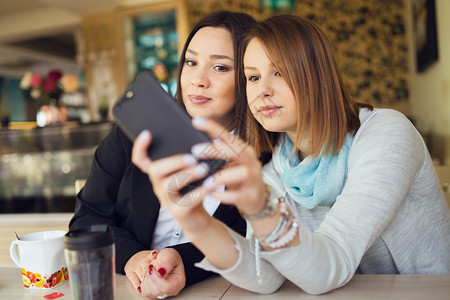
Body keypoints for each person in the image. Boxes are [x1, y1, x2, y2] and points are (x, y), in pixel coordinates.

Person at [131, 14, 450, 296]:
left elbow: (333, 261)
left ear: (317, 74)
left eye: (279, 72)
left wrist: (261, 208)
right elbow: (265, 273)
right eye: (253, 77)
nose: (262, 90)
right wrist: (198, 223)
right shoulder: (278, 167)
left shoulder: (385, 133)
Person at [69, 10, 258, 298]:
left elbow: (252, 244)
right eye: (191, 62)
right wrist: (132, 257)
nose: (197, 80)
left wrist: (184, 260)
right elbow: (86, 221)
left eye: (220, 68)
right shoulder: (133, 134)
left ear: (248, 76)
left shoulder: (262, 158)